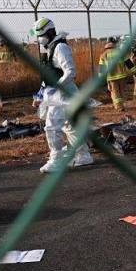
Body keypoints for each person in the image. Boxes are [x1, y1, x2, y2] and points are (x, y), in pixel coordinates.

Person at [30, 17, 93, 173]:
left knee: (52, 126)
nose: (39, 39)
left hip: (63, 94)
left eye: (42, 35)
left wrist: (55, 89)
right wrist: (39, 95)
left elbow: (70, 72)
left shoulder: (60, 48)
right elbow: (49, 76)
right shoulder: (50, 49)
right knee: (69, 126)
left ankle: (56, 160)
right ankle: (83, 156)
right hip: (59, 94)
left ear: (50, 32)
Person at [98, 36, 133, 111]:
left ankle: (119, 107)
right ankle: (121, 105)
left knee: (115, 92)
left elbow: (101, 69)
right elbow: (128, 63)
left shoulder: (103, 55)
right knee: (121, 91)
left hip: (111, 78)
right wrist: (134, 71)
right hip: (122, 76)